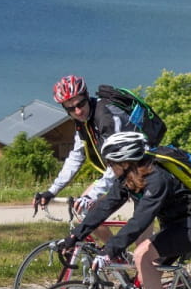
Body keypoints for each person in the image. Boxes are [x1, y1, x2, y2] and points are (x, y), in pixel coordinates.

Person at [68, 130, 191, 289]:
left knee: (142, 254)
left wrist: (109, 250)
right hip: (174, 226)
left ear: (125, 162)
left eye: (112, 163)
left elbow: (140, 221)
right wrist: (75, 235)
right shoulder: (131, 177)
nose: (110, 168)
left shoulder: (157, 179)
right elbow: (106, 206)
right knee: (145, 267)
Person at [32, 75, 138, 244]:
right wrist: (52, 191)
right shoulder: (83, 122)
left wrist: (91, 196)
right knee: (83, 210)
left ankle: (143, 263)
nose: (78, 111)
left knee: (143, 247)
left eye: (80, 104)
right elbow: (75, 157)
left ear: (87, 96)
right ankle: (116, 256)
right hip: (120, 173)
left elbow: (118, 162)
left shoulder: (106, 116)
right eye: (71, 109)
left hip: (142, 174)